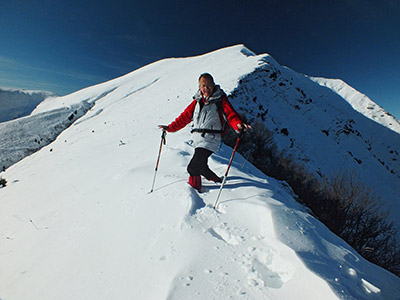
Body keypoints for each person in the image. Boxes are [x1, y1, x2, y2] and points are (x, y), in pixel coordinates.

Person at [159, 73, 251, 191]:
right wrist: (170, 128)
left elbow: (231, 115)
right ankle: (217, 181)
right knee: (201, 166)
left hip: (211, 138)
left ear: (213, 85)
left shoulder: (220, 100)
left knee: (193, 168)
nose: (206, 88)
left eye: (208, 85)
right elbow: (185, 117)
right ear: (199, 87)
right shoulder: (196, 102)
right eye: (203, 85)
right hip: (198, 139)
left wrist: (239, 125)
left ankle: (196, 191)